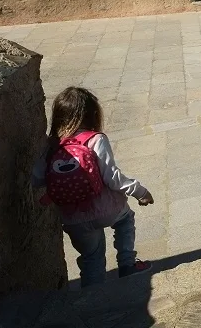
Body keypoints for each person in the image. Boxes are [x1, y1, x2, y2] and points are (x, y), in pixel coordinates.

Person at [31, 87, 154, 287]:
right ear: (92, 114)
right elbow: (112, 178)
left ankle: (93, 299)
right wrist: (140, 191)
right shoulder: (96, 139)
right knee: (125, 219)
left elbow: (36, 179)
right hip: (105, 209)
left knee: (91, 257)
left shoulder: (52, 145)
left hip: (73, 218)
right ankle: (127, 264)